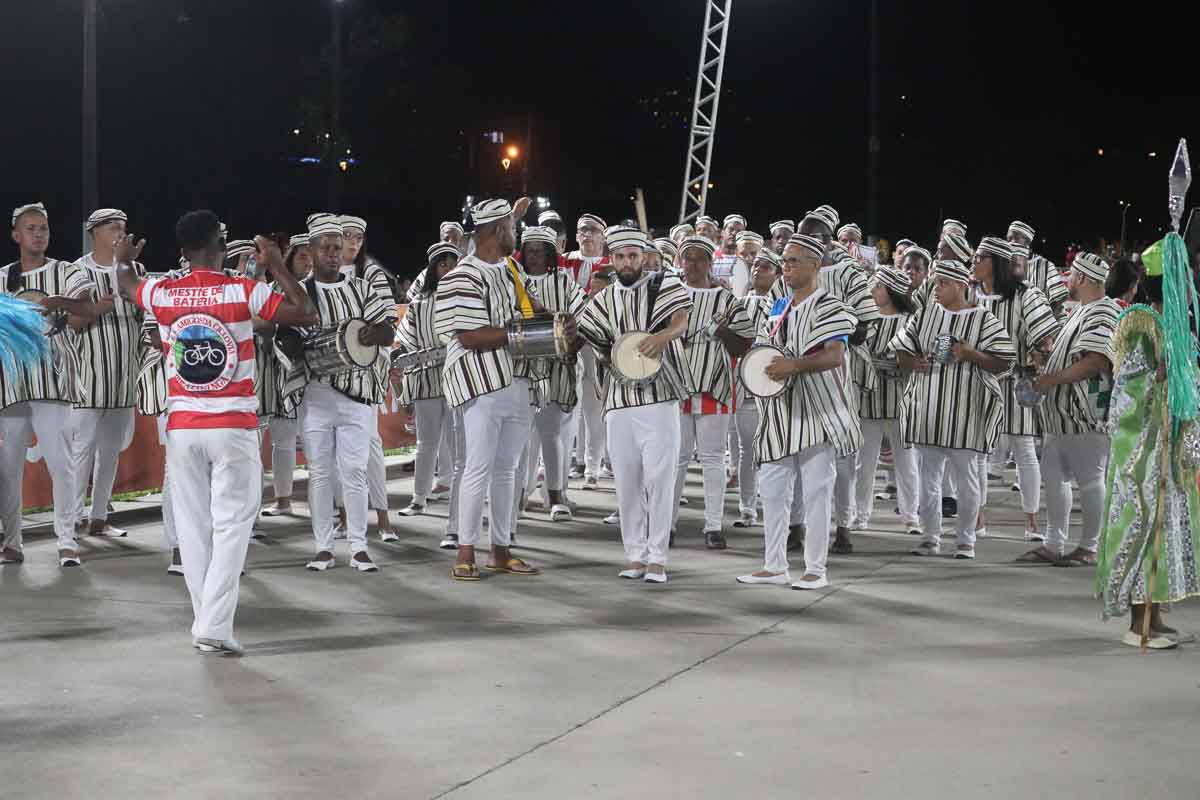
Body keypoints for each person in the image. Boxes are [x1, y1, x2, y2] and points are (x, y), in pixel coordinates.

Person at [117, 210, 316, 655]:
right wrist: (278, 264)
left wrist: (123, 260)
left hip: (183, 425)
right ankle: (213, 625)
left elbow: (128, 285)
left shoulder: (165, 293)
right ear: (222, 244)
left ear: (183, 251)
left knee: (192, 527)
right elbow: (305, 312)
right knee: (232, 527)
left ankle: (206, 622)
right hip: (233, 426)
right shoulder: (242, 289)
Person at [437, 197, 570, 581]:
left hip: (518, 381)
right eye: (512, 227)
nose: (518, 233)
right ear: (497, 231)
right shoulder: (461, 276)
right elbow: (470, 335)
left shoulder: (510, 269)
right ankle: (465, 551)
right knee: (477, 467)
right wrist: (528, 332)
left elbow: (531, 309)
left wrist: (556, 324)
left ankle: (500, 549)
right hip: (481, 383)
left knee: (506, 470)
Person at [736, 233, 860, 590]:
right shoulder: (779, 307)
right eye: (784, 261)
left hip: (817, 413)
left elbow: (835, 356)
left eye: (793, 261)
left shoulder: (830, 305)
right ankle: (774, 565)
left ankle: (816, 570)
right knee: (773, 493)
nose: (785, 268)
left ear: (815, 265)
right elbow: (766, 350)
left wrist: (793, 366)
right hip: (778, 415)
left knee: (817, 493)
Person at [1096, 237, 1199, 649]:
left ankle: (1155, 618)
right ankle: (1138, 626)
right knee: (1142, 528)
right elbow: (1128, 388)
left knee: (1167, 529)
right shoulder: (1140, 323)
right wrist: (1161, 377)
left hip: (1169, 450)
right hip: (1143, 452)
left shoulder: (1173, 328)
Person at [577, 226, 691, 583]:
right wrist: (565, 332)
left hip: (660, 397)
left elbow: (681, 320)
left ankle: (658, 557)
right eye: (620, 256)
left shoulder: (664, 284)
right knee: (626, 480)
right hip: (619, 399)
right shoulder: (602, 299)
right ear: (611, 259)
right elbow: (586, 336)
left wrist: (664, 336)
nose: (627, 262)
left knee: (660, 478)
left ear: (644, 257)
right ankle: (635, 556)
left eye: (633, 256)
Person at [286, 213, 396, 573]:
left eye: (337, 248)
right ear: (312, 250)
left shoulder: (362, 288)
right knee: (319, 473)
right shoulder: (301, 292)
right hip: (317, 394)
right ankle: (323, 547)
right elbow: (284, 337)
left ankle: (360, 547)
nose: (334, 253)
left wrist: (366, 335)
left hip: (358, 395)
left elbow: (387, 331)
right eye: (326, 248)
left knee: (354, 472)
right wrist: (290, 344)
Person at [891, 259, 1014, 559]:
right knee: (928, 478)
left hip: (966, 411)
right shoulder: (925, 314)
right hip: (929, 408)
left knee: (966, 479)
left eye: (943, 283)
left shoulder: (984, 319)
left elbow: (1005, 361)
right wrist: (912, 362)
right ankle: (930, 537)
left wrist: (971, 353)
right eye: (935, 283)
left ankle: (965, 539)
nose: (937, 288)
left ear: (961, 285)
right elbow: (901, 349)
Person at [0, 203, 94, 567]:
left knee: (61, 463)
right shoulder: (3, 277)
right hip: (12, 384)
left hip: (53, 381)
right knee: (8, 469)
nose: (38, 234)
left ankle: (66, 541)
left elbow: (85, 309)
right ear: (16, 235)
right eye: (31, 228)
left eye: (43, 228)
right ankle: (12, 542)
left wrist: (62, 303)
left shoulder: (66, 271)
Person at [1018, 253, 1121, 566]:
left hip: (1085, 413)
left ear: (1086, 279)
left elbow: (1096, 361)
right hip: (1061, 415)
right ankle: (1053, 544)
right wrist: (1046, 362)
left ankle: (1089, 547)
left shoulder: (1104, 311)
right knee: (1056, 479)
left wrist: (1051, 379)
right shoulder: (1083, 311)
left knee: (1090, 480)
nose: (1068, 279)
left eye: (1073, 274)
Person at [971, 237, 1059, 542]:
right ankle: (976, 518)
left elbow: (1044, 338)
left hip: (1015, 382)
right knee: (979, 453)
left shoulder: (1025, 295)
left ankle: (1032, 521)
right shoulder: (970, 294)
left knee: (1023, 449)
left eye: (980, 257)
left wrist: (1039, 359)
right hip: (979, 382)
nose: (974, 260)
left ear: (995, 263)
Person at [670, 236, 755, 549]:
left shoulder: (727, 299)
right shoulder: (671, 291)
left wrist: (723, 332)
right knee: (677, 459)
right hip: (676, 382)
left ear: (709, 262)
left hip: (715, 384)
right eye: (686, 258)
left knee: (713, 458)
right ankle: (668, 523)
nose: (691, 264)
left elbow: (745, 343)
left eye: (698, 258)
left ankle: (713, 525)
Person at [68, 209, 145, 539]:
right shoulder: (77, 271)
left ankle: (99, 517)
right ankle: (70, 520)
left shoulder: (135, 270)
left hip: (125, 373)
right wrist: (94, 310)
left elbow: (145, 318)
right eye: (114, 227)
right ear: (94, 232)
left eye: (123, 227)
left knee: (111, 450)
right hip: (89, 374)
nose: (120, 232)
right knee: (82, 448)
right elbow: (70, 322)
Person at [514, 226, 589, 522]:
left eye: (541, 250)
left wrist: (572, 338)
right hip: (521, 366)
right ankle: (518, 493)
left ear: (551, 254)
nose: (534, 256)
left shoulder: (565, 281)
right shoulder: (512, 281)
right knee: (519, 433)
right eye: (529, 250)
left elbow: (582, 320)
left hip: (558, 365)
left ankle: (556, 496)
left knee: (551, 432)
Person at [339, 214, 398, 541]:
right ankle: (346, 516)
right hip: (332, 369)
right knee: (339, 450)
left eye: (358, 237)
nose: (352, 242)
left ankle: (383, 518)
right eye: (347, 235)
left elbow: (388, 318)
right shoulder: (323, 271)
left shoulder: (370, 272)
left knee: (371, 443)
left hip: (367, 366)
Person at [851, 266, 919, 534]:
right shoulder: (865, 320)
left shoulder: (911, 321)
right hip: (869, 400)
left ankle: (911, 515)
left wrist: (882, 362)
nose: (872, 290)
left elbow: (910, 359)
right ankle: (861, 515)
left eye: (877, 286)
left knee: (907, 462)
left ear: (891, 292)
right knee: (863, 462)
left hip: (901, 400)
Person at [395, 242, 459, 521]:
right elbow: (404, 344)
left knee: (459, 446)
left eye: (452, 264)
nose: (448, 270)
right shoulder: (419, 304)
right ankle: (419, 498)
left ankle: (462, 502)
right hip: (426, 381)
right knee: (426, 443)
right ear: (433, 269)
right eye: (442, 264)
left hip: (459, 381)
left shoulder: (467, 298)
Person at [261, 235, 312, 517]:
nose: (307, 262)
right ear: (288, 259)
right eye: (302, 256)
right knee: (283, 439)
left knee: (316, 442)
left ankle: (330, 506)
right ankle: (283, 500)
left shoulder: (317, 288)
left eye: (310, 256)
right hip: (278, 371)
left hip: (311, 374)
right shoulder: (270, 288)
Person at [729, 249, 780, 528]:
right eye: (756, 266)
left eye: (766, 267)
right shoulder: (739, 302)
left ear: (777, 273)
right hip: (744, 385)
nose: (758, 270)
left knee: (776, 450)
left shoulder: (784, 303)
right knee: (747, 448)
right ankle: (747, 507)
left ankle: (776, 507)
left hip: (774, 386)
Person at [564, 213, 609, 486]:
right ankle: (576, 460)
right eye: (582, 230)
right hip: (568, 340)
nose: (587, 234)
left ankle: (593, 465)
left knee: (593, 406)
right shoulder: (565, 261)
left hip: (595, 342)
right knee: (571, 405)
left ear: (603, 236)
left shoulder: (610, 264)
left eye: (592, 230)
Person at [1007, 220, 1069, 318]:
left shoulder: (1045, 266)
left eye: (1016, 238)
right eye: (1009, 238)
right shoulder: (1004, 264)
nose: (1010, 242)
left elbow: (1058, 299)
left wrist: (1043, 319)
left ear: (1028, 241)